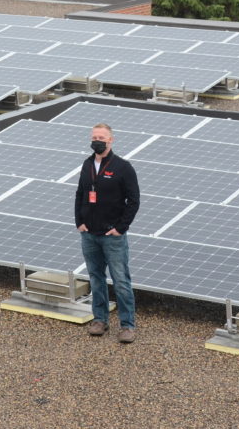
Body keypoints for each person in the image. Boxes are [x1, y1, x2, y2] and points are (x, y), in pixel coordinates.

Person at [74, 122, 140, 343]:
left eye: (101, 137)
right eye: (94, 137)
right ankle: (99, 320)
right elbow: (80, 193)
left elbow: (134, 201)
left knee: (121, 280)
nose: (97, 140)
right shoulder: (87, 165)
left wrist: (120, 228)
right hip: (89, 234)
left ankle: (127, 325)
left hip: (112, 237)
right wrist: (79, 222)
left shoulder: (123, 167)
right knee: (96, 279)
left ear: (111, 140)